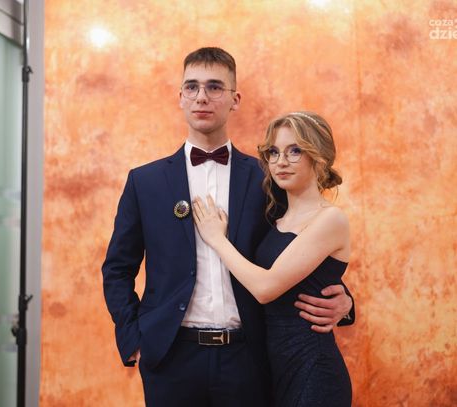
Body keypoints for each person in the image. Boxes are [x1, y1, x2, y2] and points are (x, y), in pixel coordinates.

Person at [102, 48, 354, 407]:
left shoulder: (268, 178)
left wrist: (344, 301)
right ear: (180, 97)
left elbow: (296, 244)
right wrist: (134, 340)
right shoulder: (145, 182)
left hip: (248, 360)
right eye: (192, 87)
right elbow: (117, 269)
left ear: (235, 99)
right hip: (170, 359)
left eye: (215, 87)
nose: (202, 97)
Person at [192, 111, 353, 406]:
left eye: (295, 151)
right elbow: (312, 278)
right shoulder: (276, 216)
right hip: (273, 366)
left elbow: (266, 288)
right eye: (274, 152)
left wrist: (216, 238)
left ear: (318, 157)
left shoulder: (331, 219)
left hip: (312, 366)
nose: (281, 161)